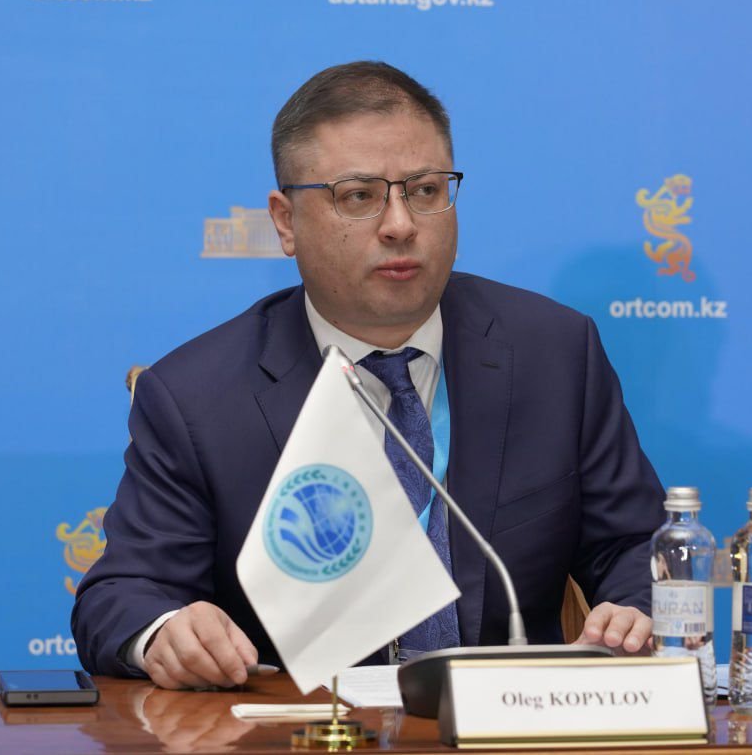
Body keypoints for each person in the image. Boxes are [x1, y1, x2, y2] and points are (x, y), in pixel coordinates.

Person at [72, 62, 665, 689]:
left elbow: (638, 545)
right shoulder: (197, 396)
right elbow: (122, 595)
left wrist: (633, 609)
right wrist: (167, 631)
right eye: (358, 196)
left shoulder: (554, 353)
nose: (400, 224)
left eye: (425, 190)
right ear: (285, 221)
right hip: (299, 724)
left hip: (509, 716)